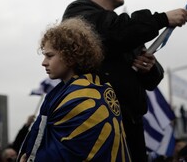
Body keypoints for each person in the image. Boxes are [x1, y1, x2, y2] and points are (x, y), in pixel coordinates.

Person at [62, 0, 187, 160]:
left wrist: (148, 69)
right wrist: (162, 19)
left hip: (129, 122)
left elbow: (154, 76)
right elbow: (113, 33)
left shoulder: (126, 30)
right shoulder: (79, 13)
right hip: (97, 120)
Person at [19, 18, 131, 161]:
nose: (44, 63)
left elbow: (64, 154)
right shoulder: (64, 93)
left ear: (70, 56)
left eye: (50, 56)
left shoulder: (81, 97)